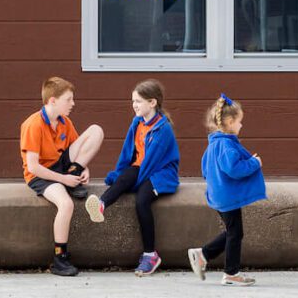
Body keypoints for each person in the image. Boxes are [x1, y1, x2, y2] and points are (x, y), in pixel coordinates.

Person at [86, 79, 180, 275]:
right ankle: (101, 205)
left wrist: (132, 182)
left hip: (160, 173)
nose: (134, 105)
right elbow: (127, 152)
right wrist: (120, 175)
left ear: (152, 103)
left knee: (142, 200)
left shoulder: (163, 129)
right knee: (124, 177)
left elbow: (152, 162)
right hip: (141, 167)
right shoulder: (137, 122)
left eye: (138, 101)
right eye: (133, 101)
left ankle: (150, 255)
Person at [19, 77, 105, 277]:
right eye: (69, 100)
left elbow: (79, 148)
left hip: (63, 167)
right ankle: (60, 259)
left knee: (96, 130)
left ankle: (75, 176)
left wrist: (83, 169)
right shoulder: (33, 125)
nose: (73, 104)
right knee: (66, 204)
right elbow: (33, 166)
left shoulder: (65, 122)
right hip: (41, 175)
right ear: (52, 101)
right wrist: (63, 179)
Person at [188, 93, 266, 286]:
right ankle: (230, 273)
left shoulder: (213, 145)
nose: (241, 125)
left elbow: (205, 170)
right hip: (228, 197)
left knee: (233, 232)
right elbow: (234, 169)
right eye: (240, 122)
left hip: (218, 195)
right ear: (230, 122)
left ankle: (203, 255)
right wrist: (254, 163)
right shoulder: (227, 145)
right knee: (235, 233)